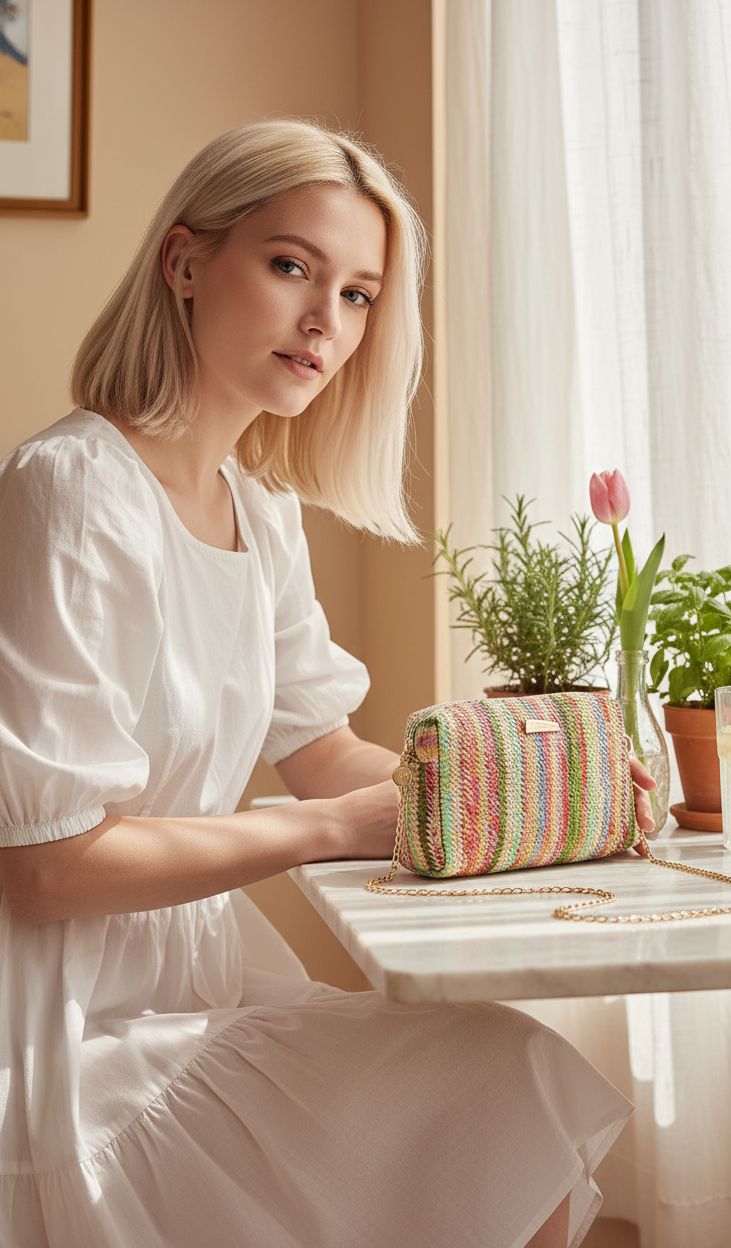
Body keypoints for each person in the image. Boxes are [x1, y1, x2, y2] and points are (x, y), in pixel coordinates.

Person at [0, 117, 656, 1248]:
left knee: (512, 1083)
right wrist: (320, 829)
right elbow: (50, 868)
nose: (325, 322)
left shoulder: (259, 510)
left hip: (194, 987)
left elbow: (326, 754)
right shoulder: (71, 494)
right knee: (497, 1090)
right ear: (187, 262)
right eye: (293, 266)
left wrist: (545, 805)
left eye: (357, 294)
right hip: (63, 1025)